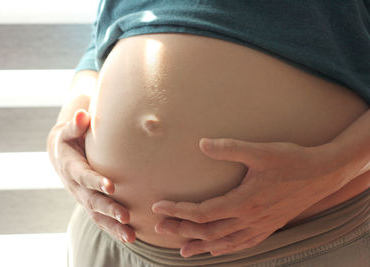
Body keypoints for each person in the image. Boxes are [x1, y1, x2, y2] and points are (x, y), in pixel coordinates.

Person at [47, 1, 370, 266]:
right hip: (114, 246)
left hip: (304, 241)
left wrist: (334, 168)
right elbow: (106, 33)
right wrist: (66, 125)